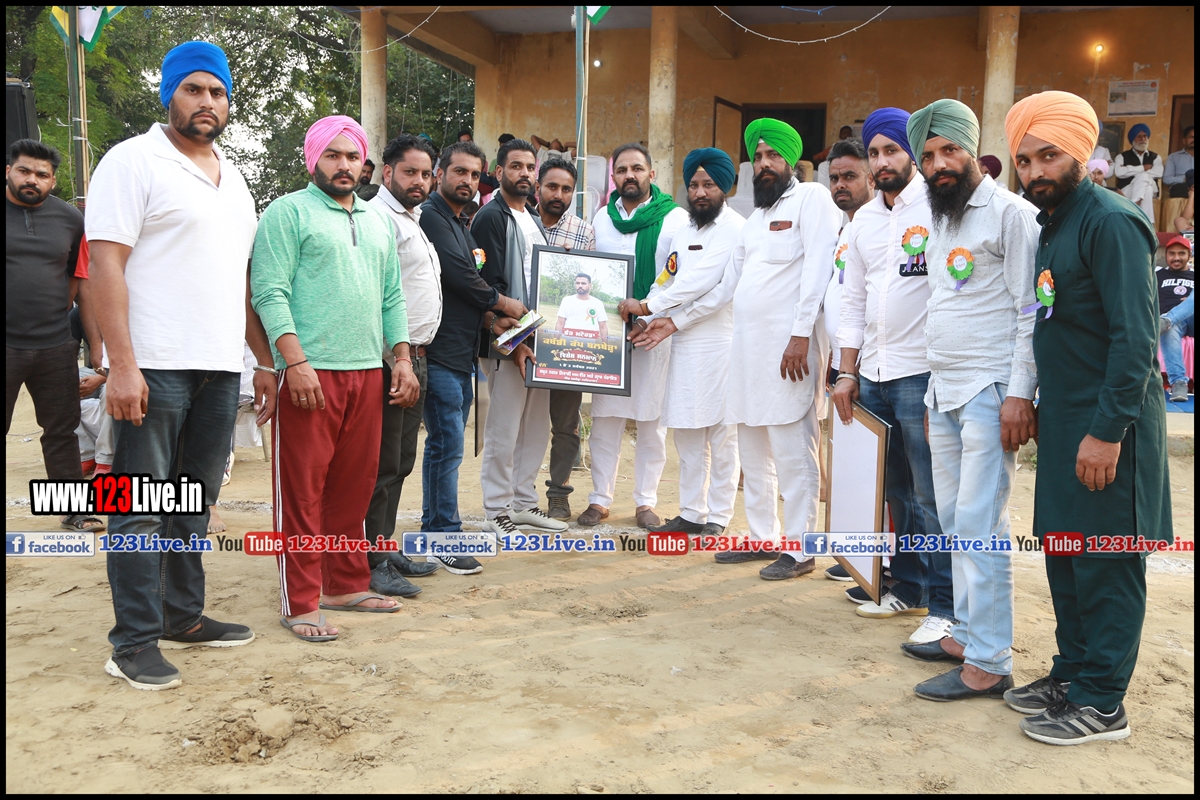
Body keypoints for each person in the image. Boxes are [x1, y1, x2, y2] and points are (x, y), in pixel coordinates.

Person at [88, 42, 272, 689]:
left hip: (220, 368)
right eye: (193, 89)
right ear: (170, 93)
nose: (207, 102)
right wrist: (121, 365)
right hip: (153, 366)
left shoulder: (235, 178)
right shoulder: (132, 161)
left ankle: (182, 616)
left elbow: (240, 281)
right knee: (138, 506)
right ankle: (132, 643)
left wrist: (263, 361)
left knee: (194, 501)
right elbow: (104, 264)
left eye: (217, 92)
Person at [1002, 90, 1173, 745]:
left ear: (1078, 153)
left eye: (1048, 156)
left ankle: (1103, 704)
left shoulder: (1111, 222)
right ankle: (1072, 674)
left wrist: (1105, 432)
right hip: (1064, 421)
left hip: (1109, 427)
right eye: (1024, 161)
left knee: (1106, 562)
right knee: (1066, 554)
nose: (1035, 171)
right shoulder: (1053, 224)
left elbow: (1135, 338)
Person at [252, 115, 417, 641]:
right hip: (309, 373)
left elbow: (392, 296)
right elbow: (268, 292)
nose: (344, 165)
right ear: (313, 158)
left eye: (352, 156)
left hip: (367, 372)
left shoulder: (377, 221)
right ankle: (300, 601)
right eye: (333, 155)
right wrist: (294, 363)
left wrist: (402, 358)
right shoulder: (287, 212)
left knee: (354, 488)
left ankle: (344, 584)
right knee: (302, 493)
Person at [901, 99, 1040, 701]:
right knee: (955, 520)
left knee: (981, 524)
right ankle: (964, 632)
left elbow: (1030, 310)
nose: (939, 164)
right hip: (945, 390)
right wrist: (934, 392)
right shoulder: (941, 215)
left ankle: (989, 660)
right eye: (928, 156)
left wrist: (1020, 394)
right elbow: (943, 302)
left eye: (949, 150)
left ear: (973, 149)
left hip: (990, 390)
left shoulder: (1012, 214)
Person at [832, 107, 955, 643]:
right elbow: (852, 301)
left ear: (912, 155)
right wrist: (846, 372)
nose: (882, 162)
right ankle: (908, 586)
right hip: (873, 375)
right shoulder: (862, 221)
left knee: (932, 494)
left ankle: (946, 606)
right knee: (895, 490)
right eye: (874, 153)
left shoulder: (939, 207)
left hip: (921, 373)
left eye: (892, 150)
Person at [623, 148, 746, 539]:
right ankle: (692, 512)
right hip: (684, 344)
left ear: (725, 187)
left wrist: (653, 309)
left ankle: (719, 515)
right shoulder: (685, 230)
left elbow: (711, 286)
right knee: (687, 430)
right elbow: (668, 278)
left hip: (722, 344)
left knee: (723, 435)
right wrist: (646, 318)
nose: (699, 193)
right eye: (693, 185)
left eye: (708, 185)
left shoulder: (735, 228)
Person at [419, 140, 525, 572]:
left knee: (444, 447)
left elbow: (461, 287)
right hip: (439, 351)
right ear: (440, 173)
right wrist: (504, 303)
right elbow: (460, 275)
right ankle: (444, 535)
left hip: (461, 352)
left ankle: (434, 532)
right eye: (459, 171)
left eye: (473, 174)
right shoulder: (433, 215)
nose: (466, 180)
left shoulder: (460, 221)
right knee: (447, 447)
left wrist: (489, 319)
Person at [587, 143, 689, 528]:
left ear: (652, 173)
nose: (630, 175)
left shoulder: (675, 219)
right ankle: (600, 499)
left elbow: (680, 277)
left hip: (653, 333)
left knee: (651, 424)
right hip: (609, 337)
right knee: (605, 420)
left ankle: (646, 502)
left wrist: (650, 316)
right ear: (613, 176)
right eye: (622, 170)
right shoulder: (602, 218)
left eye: (637, 168)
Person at [471, 138, 566, 538]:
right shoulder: (490, 217)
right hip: (507, 342)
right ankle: (497, 510)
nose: (524, 173)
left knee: (535, 426)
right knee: (504, 427)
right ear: (499, 172)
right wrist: (512, 342)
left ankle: (524, 502)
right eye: (516, 166)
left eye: (530, 167)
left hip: (538, 339)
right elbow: (485, 286)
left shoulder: (530, 217)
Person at [364, 133, 444, 597]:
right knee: (381, 462)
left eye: (425, 173)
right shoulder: (378, 218)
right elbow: (377, 295)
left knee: (400, 461)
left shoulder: (412, 219)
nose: (419, 181)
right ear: (388, 172)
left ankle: (383, 545)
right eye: (410, 172)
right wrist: (398, 361)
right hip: (391, 360)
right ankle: (370, 561)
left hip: (416, 357)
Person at [5, 138, 99, 533]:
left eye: (42, 174)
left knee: (62, 430)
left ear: (53, 180)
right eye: (24, 171)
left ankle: (75, 511)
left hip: (56, 345)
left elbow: (82, 280)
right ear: (8, 171)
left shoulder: (71, 220)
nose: (32, 179)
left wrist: (95, 346)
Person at [819, 137, 876, 581]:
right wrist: (834, 358)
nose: (840, 184)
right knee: (854, 466)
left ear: (872, 178)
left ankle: (886, 564)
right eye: (835, 177)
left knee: (882, 470)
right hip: (844, 363)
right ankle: (860, 559)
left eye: (850, 176)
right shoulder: (845, 229)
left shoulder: (881, 228)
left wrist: (850, 365)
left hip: (873, 367)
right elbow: (838, 297)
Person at [535, 157, 597, 520]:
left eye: (566, 189)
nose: (558, 194)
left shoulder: (583, 232)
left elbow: (590, 280)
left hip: (567, 347)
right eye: (552, 187)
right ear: (538, 187)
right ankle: (516, 495)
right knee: (521, 424)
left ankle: (559, 494)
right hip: (525, 339)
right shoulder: (518, 221)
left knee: (566, 423)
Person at [1157, 234, 1194, 402]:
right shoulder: (1157, 274)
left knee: (1168, 322)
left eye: (1181, 253)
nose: (1176, 258)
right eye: (1172, 253)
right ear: (1166, 255)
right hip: (1171, 326)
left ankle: (1167, 319)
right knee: (1169, 329)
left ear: (1189, 255)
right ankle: (1179, 383)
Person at [1114, 123, 1164, 224]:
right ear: (1133, 140)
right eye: (1139, 136)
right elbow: (1119, 172)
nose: (1143, 139)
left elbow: (1159, 173)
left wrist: (1130, 170)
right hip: (1127, 190)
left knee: (1144, 177)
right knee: (1147, 189)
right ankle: (1148, 223)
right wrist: (1143, 168)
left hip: (1153, 188)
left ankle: (1133, 207)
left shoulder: (1155, 157)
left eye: (1145, 136)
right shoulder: (1121, 156)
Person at [555, 274, 609, 338]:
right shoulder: (566, 300)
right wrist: (555, 340)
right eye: (577, 283)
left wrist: (605, 343)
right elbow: (560, 323)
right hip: (567, 341)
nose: (580, 286)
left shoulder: (598, 303)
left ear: (590, 286)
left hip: (589, 342)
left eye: (583, 283)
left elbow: (603, 327)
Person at [1163, 125, 1194, 198]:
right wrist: (1185, 180)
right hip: (1181, 186)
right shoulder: (1173, 157)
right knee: (1179, 188)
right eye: (1191, 137)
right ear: (1184, 140)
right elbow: (1166, 179)